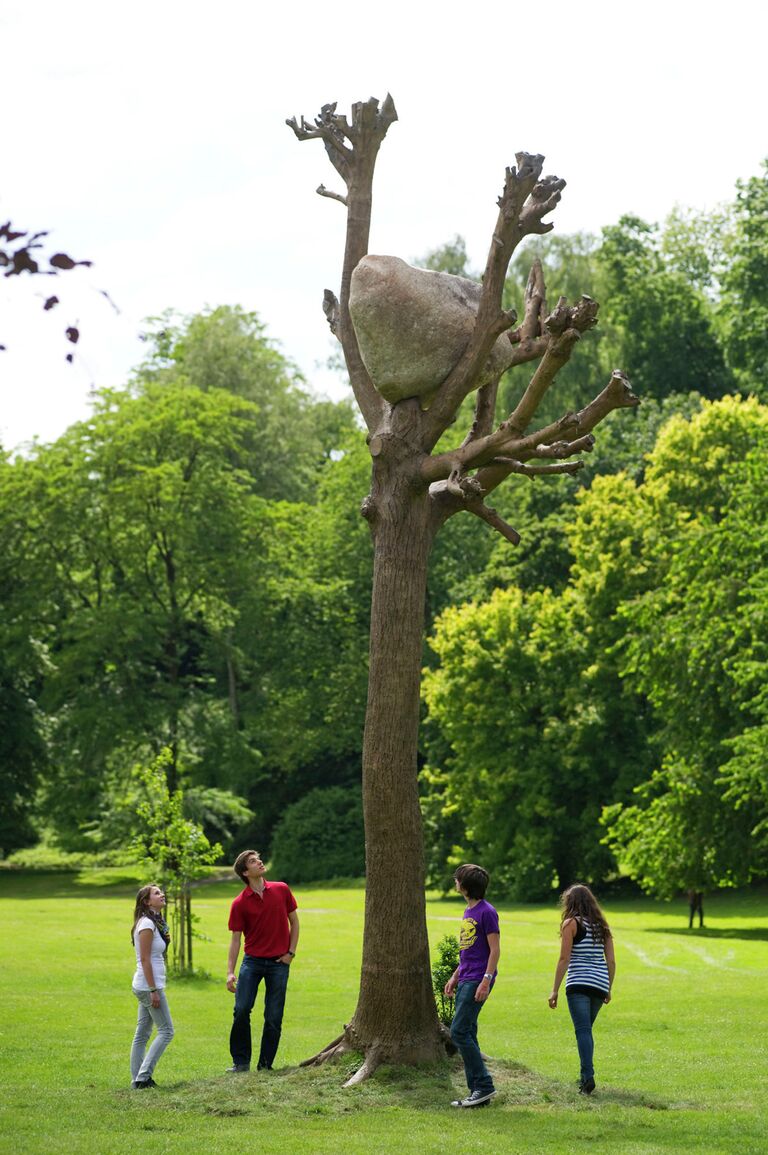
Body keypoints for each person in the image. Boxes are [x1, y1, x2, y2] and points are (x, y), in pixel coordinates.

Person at [226, 849, 299, 1073]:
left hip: (279, 964)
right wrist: (230, 972)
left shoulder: (281, 889)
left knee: (274, 1016)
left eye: (258, 859)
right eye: (252, 861)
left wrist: (290, 954)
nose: (259, 862)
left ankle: (265, 1065)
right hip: (252, 963)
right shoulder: (239, 903)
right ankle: (240, 1063)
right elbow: (236, 940)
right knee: (241, 1009)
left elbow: (294, 923)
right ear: (245, 872)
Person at [548, 883, 616, 1095]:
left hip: (578, 983)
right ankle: (584, 1075)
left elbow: (564, 958)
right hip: (599, 984)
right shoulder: (602, 927)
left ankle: (588, 1077)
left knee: (583, 1031)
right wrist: (608, 988)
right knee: (586, 1030)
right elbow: (611, 962)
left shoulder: (571, 924)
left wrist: (554, 990)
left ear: (570, 903)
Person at [443, 863, 500, 1108]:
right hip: (466, 976)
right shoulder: (469, 910)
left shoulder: (487, 912)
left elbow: (495, 950)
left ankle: (484, 1085)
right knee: (469, 1031)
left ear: (465, 886)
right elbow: (469, 951)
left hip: (478, 979)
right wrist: (456, 975)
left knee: (458, 1032)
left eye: (457, 880)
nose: (455, 882)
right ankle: (478, 1092)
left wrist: (486, 981)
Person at [130, 884, 174, 1089]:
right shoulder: (147, 924)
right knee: (166, 1031)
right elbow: (145, 960)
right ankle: (142, 1077)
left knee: (142, 1034)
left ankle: (137, 1079)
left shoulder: (155, 922)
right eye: (156, 893)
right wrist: (154, 990)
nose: (162, 894)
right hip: (148, 986)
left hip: (147, 985)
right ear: (147, 902)